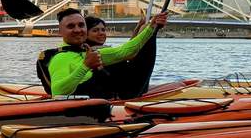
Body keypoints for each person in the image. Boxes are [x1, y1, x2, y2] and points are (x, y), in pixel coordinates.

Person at [36, 9, 167, 97]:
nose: (77, 30)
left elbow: (126, 51)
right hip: (83, 113)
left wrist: (151, 27)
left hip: (113, 99)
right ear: (60, 31)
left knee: (144, 45)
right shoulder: (60, 59)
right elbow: (57, 92)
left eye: (81, 25)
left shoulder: (91, 52)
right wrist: (85, 66)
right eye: (71, 26)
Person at [82, 15, 158, 99]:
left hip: (124, 86)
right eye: (95, 30)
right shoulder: (93, 52)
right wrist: (149, 30)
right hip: (124, 91)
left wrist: (138, 28)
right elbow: (129, 54)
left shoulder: (94, 49)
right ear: (86, 34)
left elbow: (126, 51)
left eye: (103, 30)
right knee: (147, 42)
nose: (101, 33)